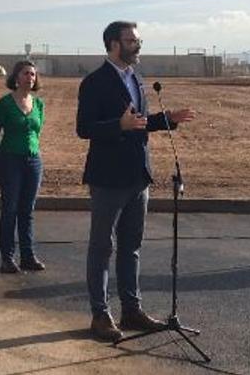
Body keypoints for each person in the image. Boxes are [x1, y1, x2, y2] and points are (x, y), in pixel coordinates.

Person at [77, 21, 196, 342]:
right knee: (102, 248)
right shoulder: (94, 82)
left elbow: (139, 124)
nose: (138, 45)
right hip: (107, 178)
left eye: (138, 39)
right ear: (114, 44)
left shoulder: (137, 79)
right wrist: (118, 124)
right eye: (132, 40)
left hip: (137, 177)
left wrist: (165, 119)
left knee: (131, 248)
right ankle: (100, 315)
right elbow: (84, 128)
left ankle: (132, 309)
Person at [0, 60, 46, 274]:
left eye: (33, 74)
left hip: (33, 161)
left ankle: (28, 255)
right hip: (10, 161)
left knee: (27, 210)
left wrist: (33, 150)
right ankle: (7, 257)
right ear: (16, 77)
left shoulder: (39, 104)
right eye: (26, 73)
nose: (30, 78)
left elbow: (36, 131)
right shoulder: (6, 103)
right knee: (10, 209)